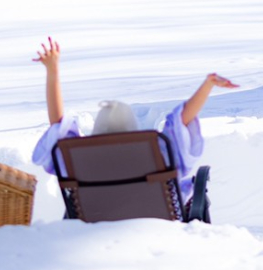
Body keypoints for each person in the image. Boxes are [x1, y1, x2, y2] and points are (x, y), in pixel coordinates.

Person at [30, 37, 236, 206]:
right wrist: (207, 85)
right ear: (134, 130)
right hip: (155, 223)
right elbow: (183, 119)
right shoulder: (159, 156)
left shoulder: (77, 160)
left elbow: (57, 123)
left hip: (95, 223)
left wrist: (53, 71)